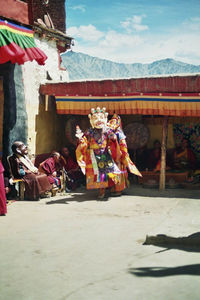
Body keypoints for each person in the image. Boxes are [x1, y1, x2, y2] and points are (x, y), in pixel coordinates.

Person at [76, 107, 141, 199]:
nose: (99, 120)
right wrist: (82, 141)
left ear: (105, 118)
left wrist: (114, 139)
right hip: (94, 155)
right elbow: (84, 141)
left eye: (101, 118)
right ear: (91, 119)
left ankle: (115, 188)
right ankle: (101, 191)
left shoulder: (108, 130)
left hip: (105, 154)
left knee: (111, 172)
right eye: (95, 118)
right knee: (99, 174)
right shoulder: (89, 132)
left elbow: (114, 140)